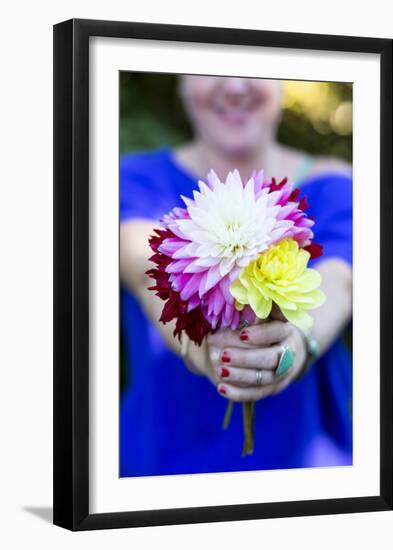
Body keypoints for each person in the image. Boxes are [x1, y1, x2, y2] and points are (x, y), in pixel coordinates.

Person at [119, 76, 353, 477]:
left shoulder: (335, 183)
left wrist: (294, 341)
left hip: (306, 466)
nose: (234, 84)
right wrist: (198, 346)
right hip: (162, 463)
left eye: (252, 66)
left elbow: (339, 280)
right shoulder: (134, 179)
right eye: (210, 67)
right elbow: (145, 269)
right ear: (180, 82)